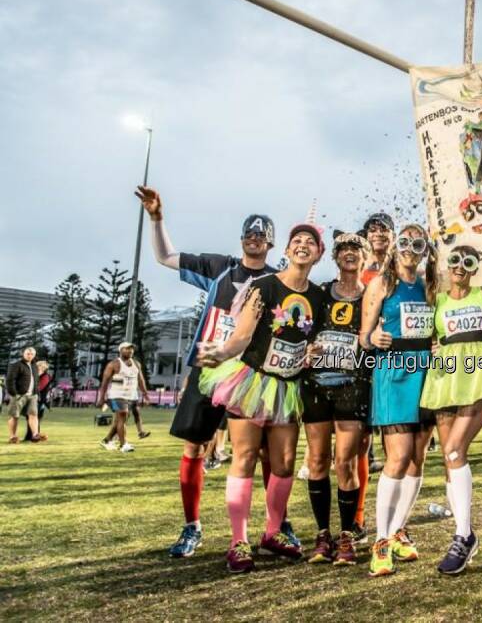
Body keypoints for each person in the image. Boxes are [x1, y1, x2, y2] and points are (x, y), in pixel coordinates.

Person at [134, 185, 284, 558]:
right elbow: (165, 256)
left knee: (263, 452)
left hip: (251, 376)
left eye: (261, 235)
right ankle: (191, 527)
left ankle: (277, 527)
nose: (254, 239)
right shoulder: (220, 268)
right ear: (241, 239)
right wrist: (156, 218)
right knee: (195, 447)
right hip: (208, 369)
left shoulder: (277, 281)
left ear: (271, 243)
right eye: (249, 233)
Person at [197, 223, 326, 574]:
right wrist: (220, 353)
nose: (303, 245)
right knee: (245, 456)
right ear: (286, 250)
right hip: (251, 382)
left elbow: (314, 339)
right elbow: (241, 336)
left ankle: (272, 532)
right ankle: (238, 541)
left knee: (284, 462)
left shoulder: (318, 297)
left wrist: (313, 350)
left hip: (287, 386)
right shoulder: (263, 287)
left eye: (310, 242)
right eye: (297, 240)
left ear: (319, 254)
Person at [360, 223, 437, 577]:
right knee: (399, 456)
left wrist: (437, 343)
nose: (409, 248)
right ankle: (380, 540)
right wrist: (374, 335)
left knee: (418, 457)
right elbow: (363, 337)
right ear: (395, 246)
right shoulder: (381, 283)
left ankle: (398, 530)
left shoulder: (428, 286)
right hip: (393, 374)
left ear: (424, 249)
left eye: (416, 243)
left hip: (425, 374)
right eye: (403, 242)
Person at [421, 244, 482, 574]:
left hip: (477, 375)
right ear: (446, 265)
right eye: (455, 260)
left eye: (469, 261)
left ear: (475, 268)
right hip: (444, 378)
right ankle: (462, 533)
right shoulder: (436, 299)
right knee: (448, 460)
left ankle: (463, 535)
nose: (461, 266)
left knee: (454, 450)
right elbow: (424, 334)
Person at [302, 232, 374, 566]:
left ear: (366, 256)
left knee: (344, 461)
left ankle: (346, 536)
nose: (349, 254)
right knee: (317, 461)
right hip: (317, 384)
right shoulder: (319, 294)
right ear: (334, 256)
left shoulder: (373, 296)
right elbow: (301, 329)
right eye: (343, 249)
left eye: (356, 249)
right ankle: (322, 535)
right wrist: (307, 348)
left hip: (353, 386)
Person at [355, 212, 396, 527]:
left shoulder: (403, 268)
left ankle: (396, 520)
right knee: (362, 439)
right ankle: (357, 517)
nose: (378, 233)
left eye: (384, 228)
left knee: (395, 439)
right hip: (364, 356)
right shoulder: (357, 270)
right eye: (373, 229)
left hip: (399, 358)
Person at [98, 342, 148, 452]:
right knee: (123, 415)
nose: (130, 351)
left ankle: (107, 440)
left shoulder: (136, 364)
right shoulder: (113, 364)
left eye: (131, 349)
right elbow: (105, 382)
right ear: (120, 350)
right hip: (116, 395)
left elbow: (140, 380)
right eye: (127, 349)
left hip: (131, 396)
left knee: (119, 420)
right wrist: (101, 398)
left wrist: (145, 394)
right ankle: (123, 445)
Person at [6, 347, 44, 443]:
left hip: (32, 396)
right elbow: (10, 380)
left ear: (34, 355)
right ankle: (12, 437)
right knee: (15, 416)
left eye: (32, 354)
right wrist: (13, 393)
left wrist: (37, 393)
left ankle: (35, 435)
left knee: (33, 415)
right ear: (23, 354)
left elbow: (36, 381)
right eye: (28, 353)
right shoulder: (16, 365)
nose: (30, 355)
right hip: (19, 395)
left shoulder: (34, 366)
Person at [23, 360, 51, 442]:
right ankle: (29, 437)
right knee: (29, 418)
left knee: (35, 419)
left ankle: (35, 436)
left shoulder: (45, 377)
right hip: (32, 399)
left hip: (39, 401)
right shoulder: (36, 376)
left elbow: (39, 388)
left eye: (38, 367)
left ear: (43, 368)